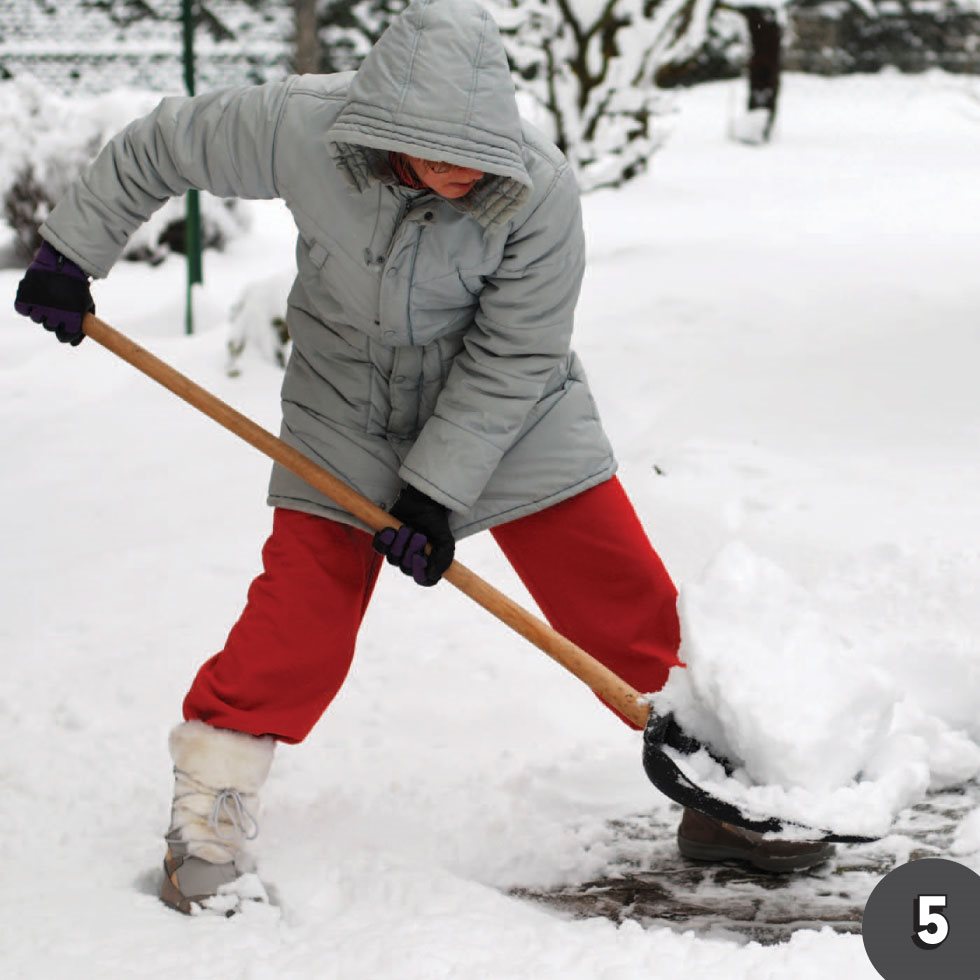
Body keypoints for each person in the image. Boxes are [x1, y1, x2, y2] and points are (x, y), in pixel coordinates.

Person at [14, 0, 832, 915]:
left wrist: (435, 496)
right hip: (347, 410)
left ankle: (730, 790)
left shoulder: (537, 191)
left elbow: (516, 356)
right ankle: (210, 808)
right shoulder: (302, 129)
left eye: (475, 155)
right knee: (302, 616)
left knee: (626, 605)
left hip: (514, 415)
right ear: (383, 130)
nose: (460, 173)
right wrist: (70, 255)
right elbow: (161, 145)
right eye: (436, 154)